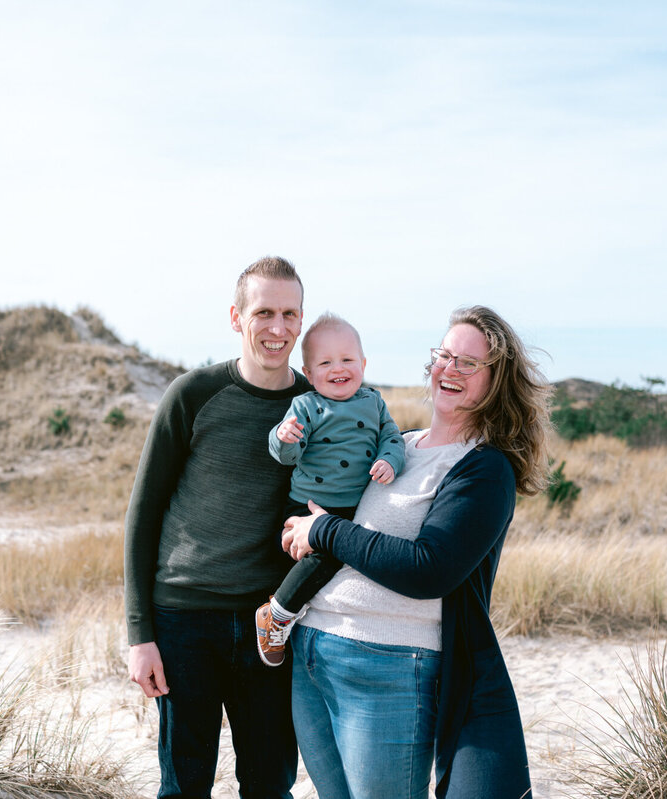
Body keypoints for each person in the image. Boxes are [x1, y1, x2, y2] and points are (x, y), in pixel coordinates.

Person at [282, 305, 550, 799]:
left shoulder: (484, 469)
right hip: (313, 651)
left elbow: (430, 570)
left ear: (496, 382)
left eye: (470, 363)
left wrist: (325, 532)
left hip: (388, 666)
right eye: (445, 355)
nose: (451, 368)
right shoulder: (397, 446)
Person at [124, 256, 309, 799]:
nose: (278, 329)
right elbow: (143, 512)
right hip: (184, 620)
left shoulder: (319, 406)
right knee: (183, 786)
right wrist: (141, 635)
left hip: (270, 625)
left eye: (290, 314)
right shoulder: (192, 395)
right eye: (264, 313)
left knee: (271, 784)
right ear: (236, 317)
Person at [255, 312, 406, 667]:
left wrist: (390, 460)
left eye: (347, 359)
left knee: (334, 561)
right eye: (325, 362)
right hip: (307, 506)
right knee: (320, 558)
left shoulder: (374, 402)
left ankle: (289, 613)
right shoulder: (306, 406)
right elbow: (287, 455)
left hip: (354, 508)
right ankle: (276, 613)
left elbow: (392, 439)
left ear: (363, 363)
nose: (338, 368)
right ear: (309, 374)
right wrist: (284, 437)